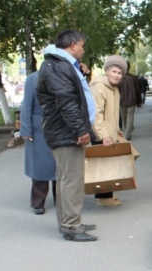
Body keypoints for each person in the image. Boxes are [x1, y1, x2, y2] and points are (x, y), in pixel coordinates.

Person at [36, 29, 98, 242]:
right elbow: (66, 101)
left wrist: (82, 74)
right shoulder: (57, 67)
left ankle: (69, 222)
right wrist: (80, 130)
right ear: (72, 44)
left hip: (64, 130)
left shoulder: (61, 66)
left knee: (65, 179)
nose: (83, 49)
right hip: (66, 131)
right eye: (82, 45)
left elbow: (73, 95)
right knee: (71, 180)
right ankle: (71, 226)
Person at [20, 45, 57, 215]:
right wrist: (26, 130)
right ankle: (38, 203)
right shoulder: (33, 78)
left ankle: (61, 200)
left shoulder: (63, 76)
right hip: (39, 129)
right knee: (40, 168)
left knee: (61, 166)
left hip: (59, 127)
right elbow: (27, 105)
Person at [90, 55, 128, 207]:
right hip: (100, 133)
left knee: (109, 164)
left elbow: (113, 113)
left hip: (109, 133)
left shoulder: (114, 88)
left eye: (119, 73)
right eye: (114, 71)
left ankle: (107, 194)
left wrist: (117, 130)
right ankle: (103, 198)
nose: (117, 75)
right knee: (103, 166)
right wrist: (104, 135)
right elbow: (96, 114)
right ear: (107, 71)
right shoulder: (98, 87)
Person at [119, 61, 142, 140]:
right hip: (132, 101)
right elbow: (138, 90)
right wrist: (139, 101)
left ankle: (127, 134)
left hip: (121, 101)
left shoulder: (118, 78)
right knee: (130, 118)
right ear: (129, 68)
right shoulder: (133, 78)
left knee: (124, 118)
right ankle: (127, 134)